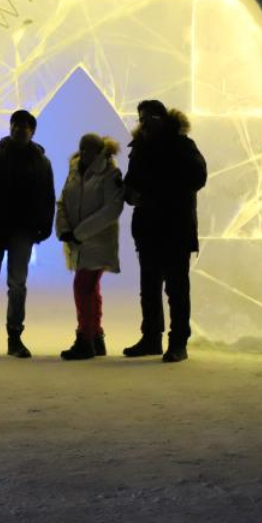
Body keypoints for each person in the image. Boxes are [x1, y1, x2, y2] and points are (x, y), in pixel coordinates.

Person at [0, 109, 55, 359]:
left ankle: (5, 338)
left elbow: (48, 196)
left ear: (32, 131)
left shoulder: (37, 162)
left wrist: (45, 223)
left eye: (23, 127)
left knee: (11, 285)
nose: (18, 130)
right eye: (15, 125)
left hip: (18, 229)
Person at [122, 100, 207, 363]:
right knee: (149, 287)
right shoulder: (139, 149)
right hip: (148, 227)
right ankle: (151, 338)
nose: (144, 123)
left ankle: (178, 342)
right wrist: (132, 194)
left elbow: (197, 178)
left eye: (149, 118)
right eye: (141, 119)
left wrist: (160, 190)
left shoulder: (182, 145)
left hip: (175, 227)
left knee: (176, 288)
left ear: (162, 118)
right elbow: (129, 184)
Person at [55, 133, 124, 360]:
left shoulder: (110, 174)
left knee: (83, 287)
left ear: (100, 150)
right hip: (78, 242)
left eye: (89, 148)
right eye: (82, 147)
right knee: (89, 288)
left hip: (97, 242)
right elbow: (63, 202)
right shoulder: (74, 171)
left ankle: (85, 339)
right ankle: (94, 337)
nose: (84, 152)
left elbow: (111, 210)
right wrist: (64, 229)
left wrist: (80, 232)